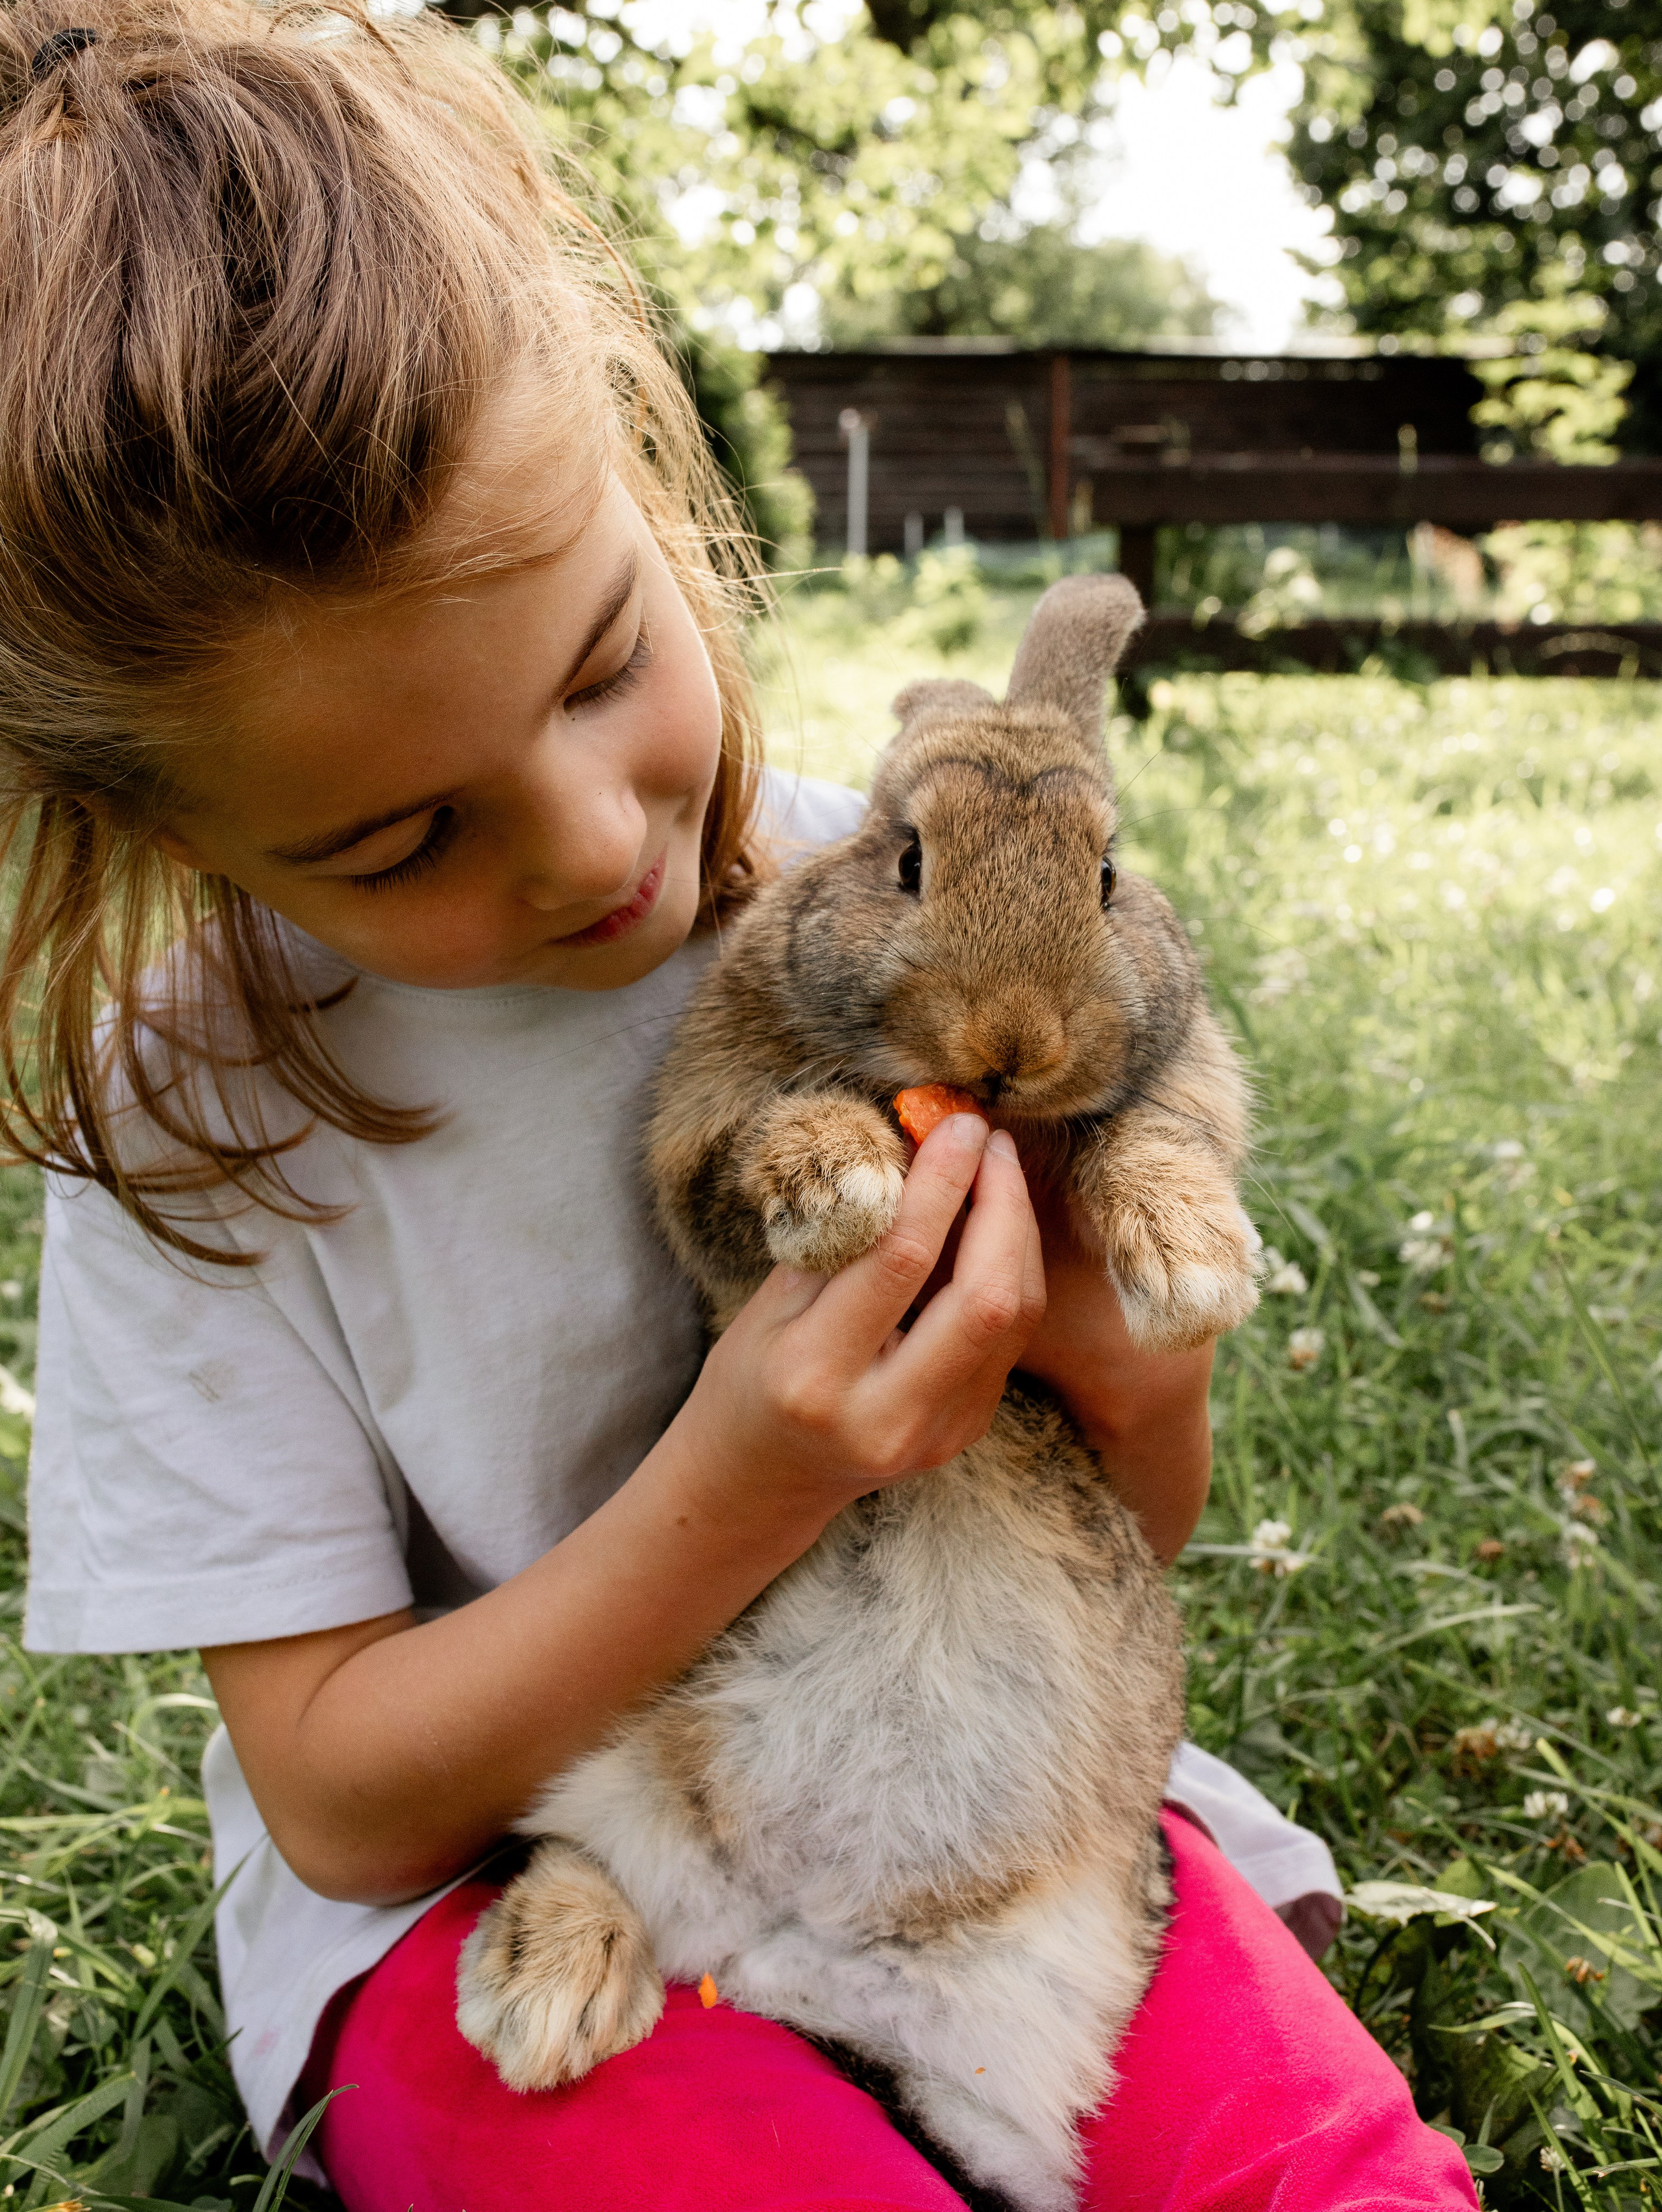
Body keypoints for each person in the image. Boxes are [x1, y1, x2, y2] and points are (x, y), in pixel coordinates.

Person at [5, 5, 1475, 2207]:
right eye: (400, 841)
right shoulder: (194, 1121)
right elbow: (337, 1796)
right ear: (170, 838)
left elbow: (1126, 1521)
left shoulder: (872, 892)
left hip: (1002, 1784)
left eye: (607, 662)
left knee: (1317, 2169)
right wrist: (752, 1473)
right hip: (514, 1875)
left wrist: (1098, 1353)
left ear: (630, 448)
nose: (600, 843)